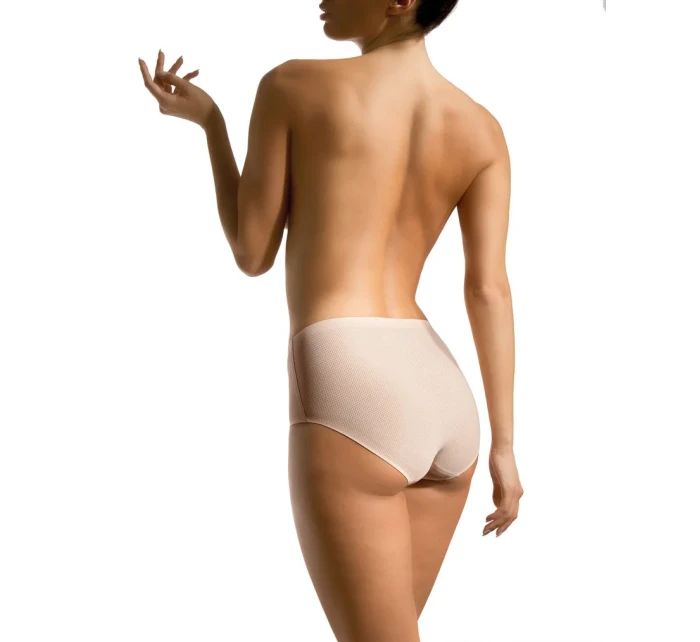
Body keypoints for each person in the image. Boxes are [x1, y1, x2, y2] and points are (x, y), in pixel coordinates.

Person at [138, 0, 523, 639]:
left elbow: (253, 252)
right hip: (442, 395)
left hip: (351, 384)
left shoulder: (292, 84)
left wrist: (213, 127)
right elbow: (489, 290)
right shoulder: (481, 128)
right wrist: (505, 448)